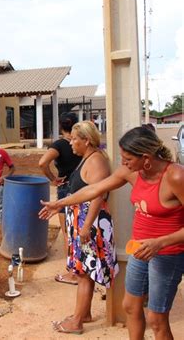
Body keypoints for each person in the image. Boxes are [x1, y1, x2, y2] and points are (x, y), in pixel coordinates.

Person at [39, 126, 184, 339]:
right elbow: (94, 189)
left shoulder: (176, 176)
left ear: (146, 158)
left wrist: (160, 243)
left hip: (168, 253)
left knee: (156, 319)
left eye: (127, 159)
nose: (123, 164)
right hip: (139, 250)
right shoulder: (132, 172)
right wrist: (59, 204)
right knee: (130, 307)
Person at [43, 121, 119, 334]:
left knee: (85, 273)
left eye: (75, 139)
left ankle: (77, 322)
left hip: (89, 224)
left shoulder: (96, 162)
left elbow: (97, 195)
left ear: (86, 140)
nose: (71, 143)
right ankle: (84, 313)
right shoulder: (87, 158)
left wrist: (85, 227)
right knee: (84, 270)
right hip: (83, 222)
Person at [39, 112, 82, 285]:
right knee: (80, 229)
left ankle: (73, 272)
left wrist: (53, 179)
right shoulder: (83, 144)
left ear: (60, 126)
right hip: (83, 189)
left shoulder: (60, 145)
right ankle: (82, 268)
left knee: (68, 233)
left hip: (66, 190)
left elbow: (42, 163)